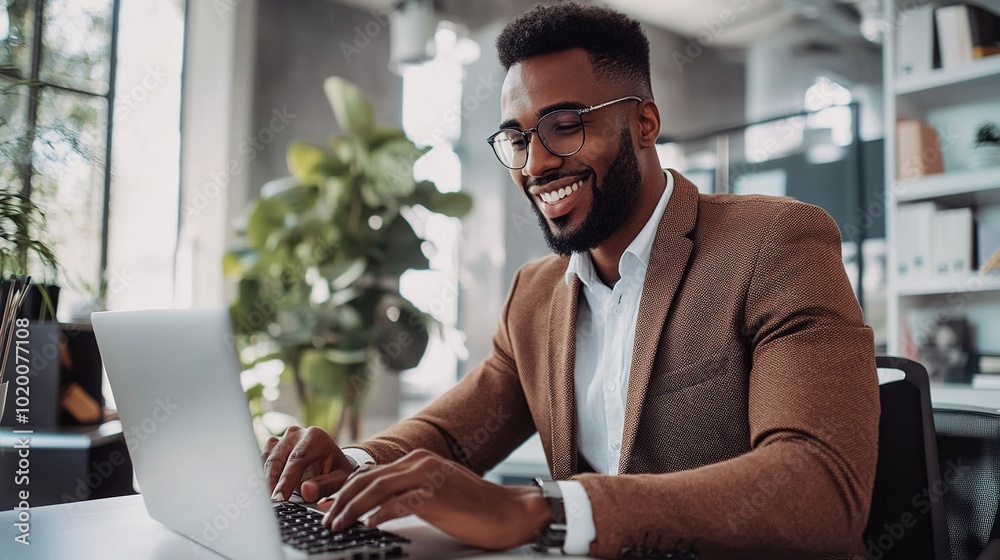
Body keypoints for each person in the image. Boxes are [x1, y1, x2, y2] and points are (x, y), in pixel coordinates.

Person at [263, 2, 880, 558]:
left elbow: (819, 485)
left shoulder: (774, 244)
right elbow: (451, 437)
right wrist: (352, 462)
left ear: (644, 124)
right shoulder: (535, 293)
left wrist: (540, 510)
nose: (535, 164)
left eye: (564, 124)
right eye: (518, 136)